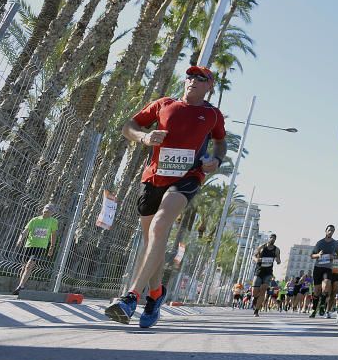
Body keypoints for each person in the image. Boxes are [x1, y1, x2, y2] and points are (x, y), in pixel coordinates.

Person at [105, 65, 226, 328]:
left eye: (200, 78)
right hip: (153, 178)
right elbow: (129, 125)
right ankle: (156, 295)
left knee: (160, 227)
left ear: (209, 87)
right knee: (153, 241)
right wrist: (144, 137)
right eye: (190, 76)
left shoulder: (212, 115)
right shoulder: (163, 104)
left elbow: (220, 142)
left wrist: (215, 160)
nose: (192, 80)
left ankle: (130, 297)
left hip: (188, 178)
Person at [12, 203, 59, 295]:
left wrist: (52, 247)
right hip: (29, 245)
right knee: (24, 267)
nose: (47, 210)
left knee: (29, 265)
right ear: (43, 209)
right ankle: (21, 285)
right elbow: (25, 231)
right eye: (46, 208)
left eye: (50, 209)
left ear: (52, 213)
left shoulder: (53, 221)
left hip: (40, 247)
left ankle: (20, 286)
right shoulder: (34, 220)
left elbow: (53, 235)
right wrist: (20, 239)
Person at [310, 224, 338, 317]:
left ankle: (322, 305)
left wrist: (334, 257)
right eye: (329, 230)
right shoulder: (319, 243)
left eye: (332, 231)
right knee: (317, 291)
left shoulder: (335, 243)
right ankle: (313, 310)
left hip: (328, 268)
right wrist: (318, 255)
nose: (330, 232)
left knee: (326, 285)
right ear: (325, 231)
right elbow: (312, 255)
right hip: (318, 267)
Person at [251, 234, 280, 316]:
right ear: (269, 238)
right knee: (254, 292)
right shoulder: (262, 247)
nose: (272, 240)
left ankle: (256, 310)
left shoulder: (276, 249)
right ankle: (255, 298)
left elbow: (278, 259)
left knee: (263, 290)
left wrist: (278, 261)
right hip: (259, 271)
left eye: (274, 239)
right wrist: (256, 259)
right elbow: (253, 256)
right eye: (271, 238)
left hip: (268, 273)